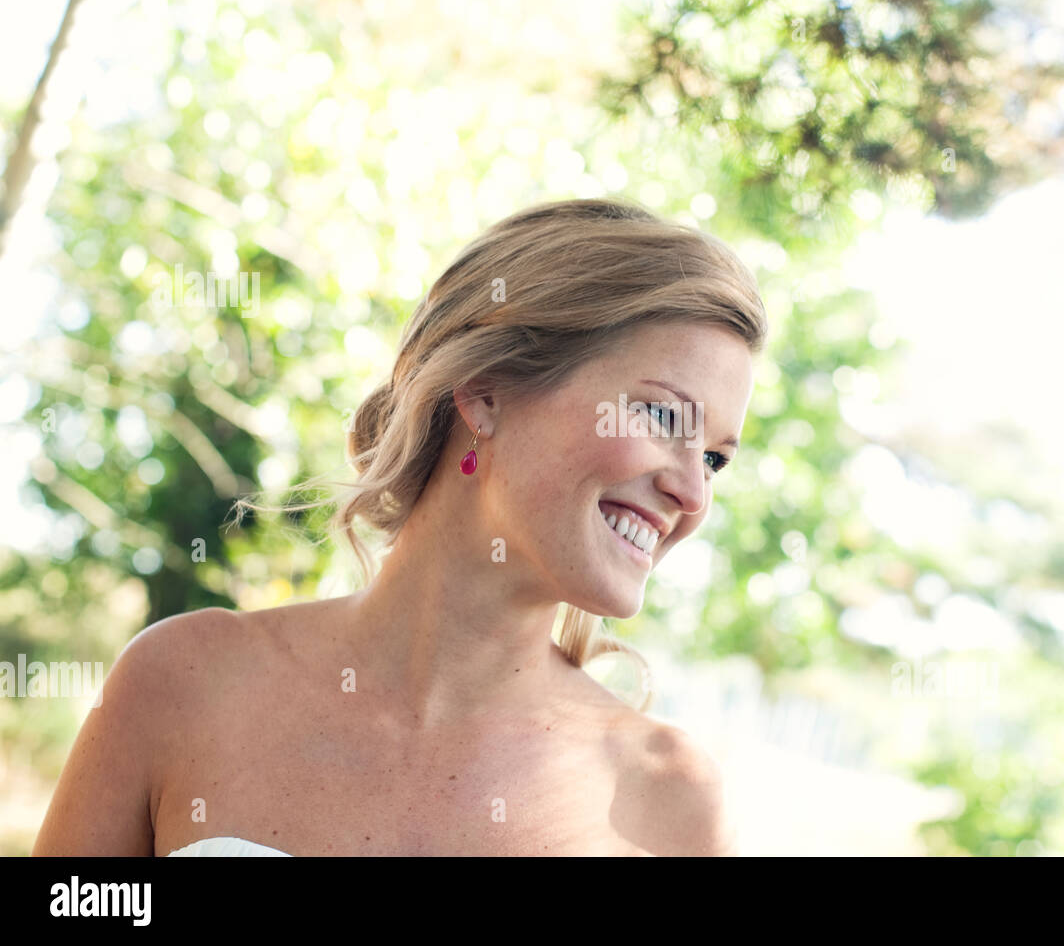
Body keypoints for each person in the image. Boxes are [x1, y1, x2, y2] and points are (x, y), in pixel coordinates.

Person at [32, 196, 768, 856]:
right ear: (486, 393)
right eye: (664, 417)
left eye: (715, 458)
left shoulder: (671, 808)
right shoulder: (183, 683)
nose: (691, 491)